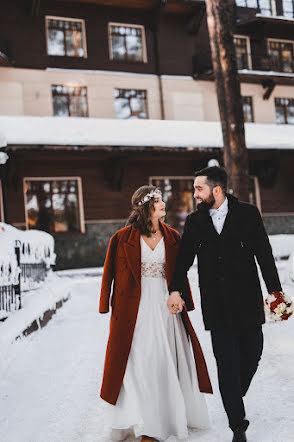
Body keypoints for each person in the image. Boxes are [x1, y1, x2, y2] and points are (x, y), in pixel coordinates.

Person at [168, 166, 283, 442]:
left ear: (216, 190)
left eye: (199, 189)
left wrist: (276, 294)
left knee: (253, 353)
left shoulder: (248, 213)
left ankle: (233, 393)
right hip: (216, 305)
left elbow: (264, 255)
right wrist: (175, 289)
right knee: (226, 364)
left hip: (248, 301)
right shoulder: (195, 222)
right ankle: (237, 425)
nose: (195, 194)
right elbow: (183, 259)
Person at [99, 185, 212, 442]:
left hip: (165, 305)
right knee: (138, 361)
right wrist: (105, 303)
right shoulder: (121, 237)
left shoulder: (172, 236)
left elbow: (180, 271)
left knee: (164, 360)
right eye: (158, 201)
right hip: (132, 309)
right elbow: (109, 273)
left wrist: (182, 297)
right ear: (146, 206)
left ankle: (165, 420)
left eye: (162, 200)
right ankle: (145, 422)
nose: (163, 204)